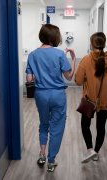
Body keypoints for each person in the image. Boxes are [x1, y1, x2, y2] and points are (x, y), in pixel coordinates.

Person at [25, 24, 76, 172]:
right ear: (55, 37)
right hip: (57, 95)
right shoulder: (60, 54)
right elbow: (69, 76)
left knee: (44, 124)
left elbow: (29, 79)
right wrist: (73, 59)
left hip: (41, 94)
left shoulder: (33, 55)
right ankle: (51, 160)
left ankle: (41, 154)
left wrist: (40, 74)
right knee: (57, 127)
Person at [75, 32, 107, 163]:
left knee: (85, 125)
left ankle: (90, 149)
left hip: (89, 100)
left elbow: (78, 81)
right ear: (103, 44)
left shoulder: (86, 60)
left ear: (92, 44)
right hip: (105, 100)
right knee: (101, 127)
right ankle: (96, 153)